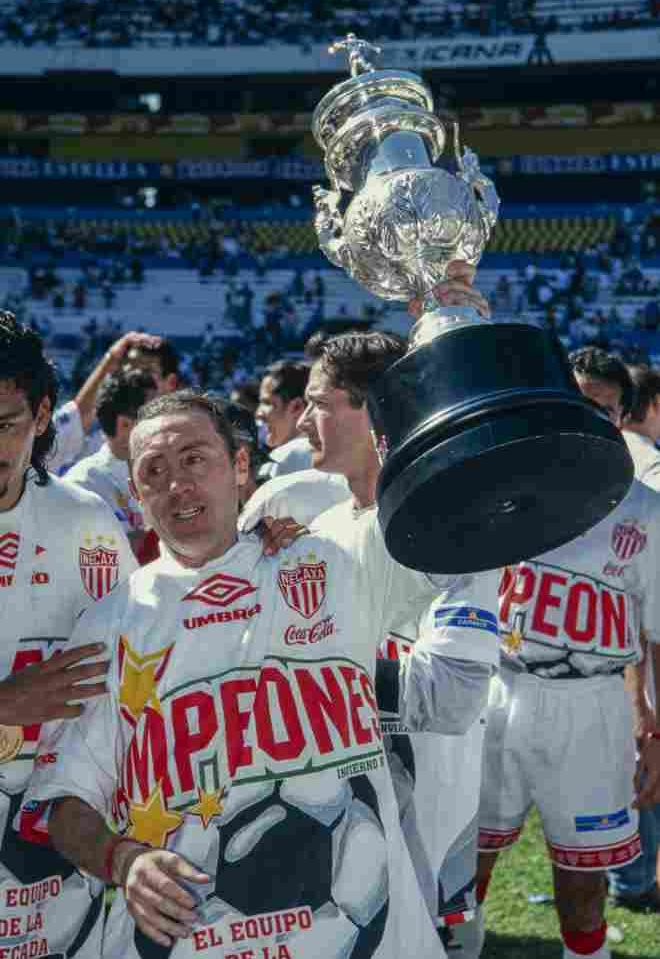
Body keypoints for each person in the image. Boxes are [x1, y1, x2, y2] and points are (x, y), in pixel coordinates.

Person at [24, 376, 498, 959]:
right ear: (136, 497)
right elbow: (64, 802)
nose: (177, 484)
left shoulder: (332, 561)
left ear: (241, 466)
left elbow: (462, 512)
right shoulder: (110, 624)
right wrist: (123, 860)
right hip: (198, 939)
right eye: (153, 471)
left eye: (195, 458)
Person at [239, 264, 498, 938]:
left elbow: (452, 698)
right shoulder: (320, 524)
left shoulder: (446, 525)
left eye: (319, 403)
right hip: (340, 803)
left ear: (374, 408)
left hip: (426, 803)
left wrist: (320, 667)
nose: (302, 420)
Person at [463, 347, 660, 959]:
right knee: (465, 864)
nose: (589, 417)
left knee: (582, 884)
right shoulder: (506, 487)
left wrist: (655, 730)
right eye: (577, 402)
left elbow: (657, 635)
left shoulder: (648, 511)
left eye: (604, 407)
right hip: (501, 691)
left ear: (623, 417)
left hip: (592, 705)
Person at [0, 310, 136, 959]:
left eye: (3, 425)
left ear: (40, 415)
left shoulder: (88, 523)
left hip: (56, 867)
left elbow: (140, 660)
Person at [607, 362, 660, 910]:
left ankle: (624, 873)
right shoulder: (651, 469)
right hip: (641, 629)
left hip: (614, 628)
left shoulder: (607, 459)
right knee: (644, 748)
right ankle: (633, 877)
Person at [64, 369, 158, 562]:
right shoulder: (82, 485)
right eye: (155, 417)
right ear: (124, 425)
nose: (165, 425)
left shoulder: (162, 474)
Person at [49, 330, 162, 474]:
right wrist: (110, 359)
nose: (138, 377)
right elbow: (76, 418)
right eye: (130, 367)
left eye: (149, 371)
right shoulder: (88, 471)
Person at [256, 360, 313, 477]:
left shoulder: (283, 458)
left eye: (267, 403)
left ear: (296, 407)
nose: (258, 413)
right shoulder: (332, 455)